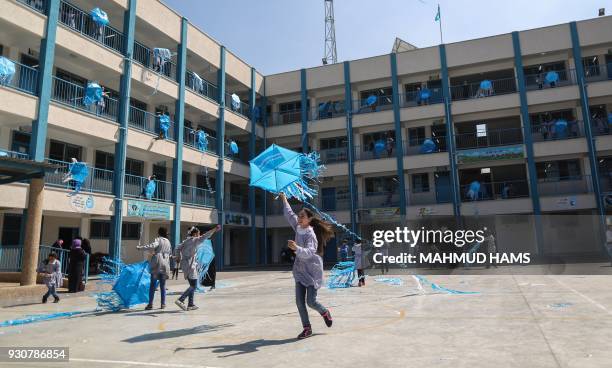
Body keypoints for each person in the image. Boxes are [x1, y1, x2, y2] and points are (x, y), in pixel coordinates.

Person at [280, 193, 334, 339]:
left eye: (302, 216)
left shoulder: (311, 235)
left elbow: (310, 252)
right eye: (299, 215)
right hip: (300, 270)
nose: (299, 217)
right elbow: (289, 213)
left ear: (309, 219)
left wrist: (296, 248)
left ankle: (324, 312)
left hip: (312, 270)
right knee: (299, 302)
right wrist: (283, 197)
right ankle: (307, 328)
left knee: (311, 301)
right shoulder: (297, 227)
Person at [174, 225, 221, 311]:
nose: (199, 234)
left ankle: (190, 304)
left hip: (184, 265)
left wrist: (177, 257)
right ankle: (181, 299)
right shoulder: (195, 240)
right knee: (194, 286)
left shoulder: (185, 241)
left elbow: (177, 248)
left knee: (192, 285)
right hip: (191, 265)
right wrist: (214, 229)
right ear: (195, 233)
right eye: (198, 233)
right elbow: (205, 236)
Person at [137, 227, 172, 310]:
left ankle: (150, 304)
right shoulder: (168, 241)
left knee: (153, 285)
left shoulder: (158, 239)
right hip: (165, 264)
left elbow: (152, 245)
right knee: (163, 285)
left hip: (157, 264)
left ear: (159, 233)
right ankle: (163, 304)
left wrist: (140, 248)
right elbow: (169, 253)